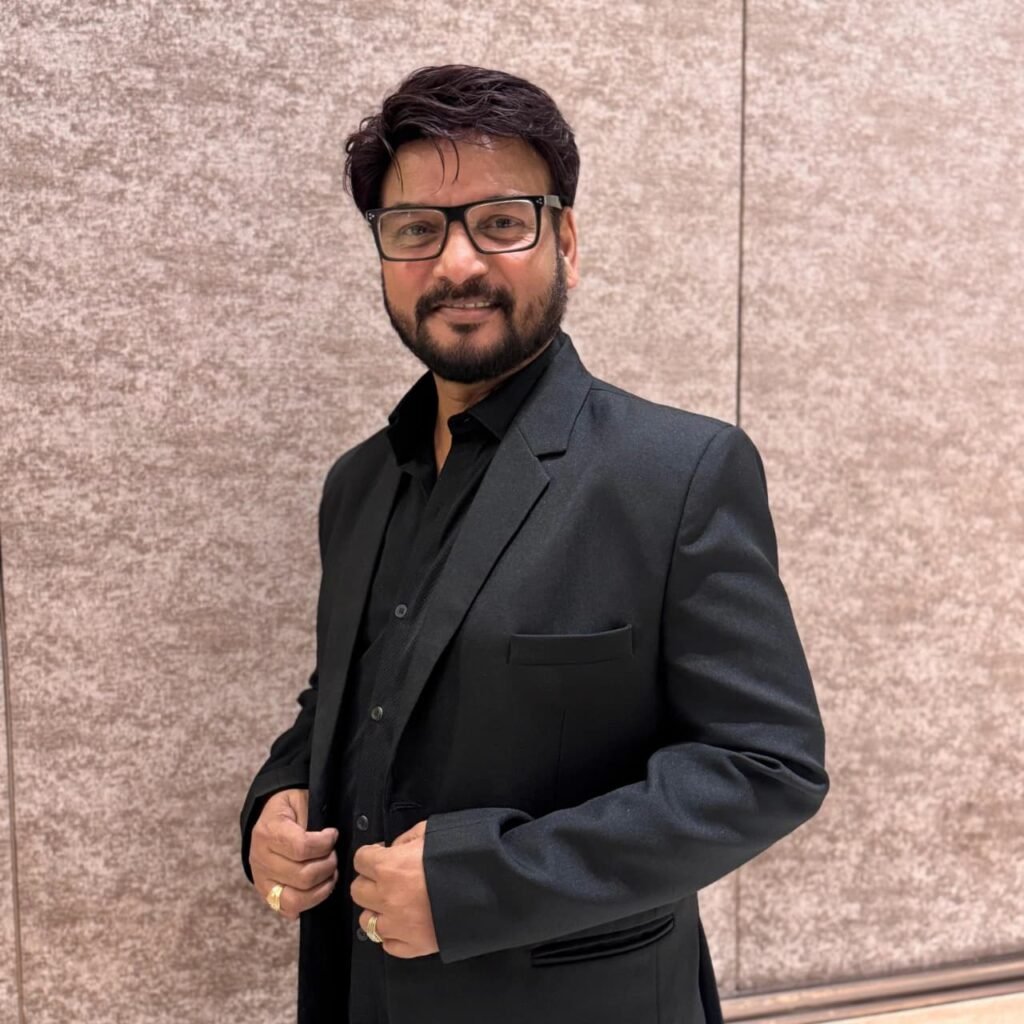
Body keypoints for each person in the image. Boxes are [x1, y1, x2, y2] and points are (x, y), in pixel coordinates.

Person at [239, 64, 828, 1024]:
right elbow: (352, 702)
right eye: (416, 229)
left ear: (566, 242)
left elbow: (765, 768)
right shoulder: (356, 485)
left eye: (501, 222)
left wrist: (479, 884)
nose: (456, 263)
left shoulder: (677, 472)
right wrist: (278, 798)